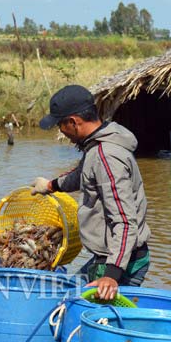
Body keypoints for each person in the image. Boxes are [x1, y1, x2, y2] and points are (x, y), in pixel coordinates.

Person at [31, 84, 150, 300]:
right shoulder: (97, 145)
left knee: (78, 311)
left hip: (121, 263)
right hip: (107, 257)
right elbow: (82, 175)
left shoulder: (107, 157)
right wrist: (51, 186)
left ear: (73, 122)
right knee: (67, 299)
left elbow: (124, 220)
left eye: (60, 125)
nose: (61, 131)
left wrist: (112, 275)